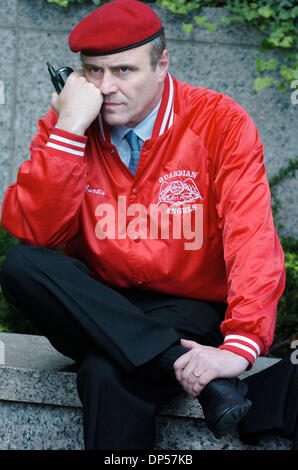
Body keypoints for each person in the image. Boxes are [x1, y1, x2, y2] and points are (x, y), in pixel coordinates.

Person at [0, 0, 286, 450]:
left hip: (188, 308)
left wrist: (239, 346)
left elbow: (251, 237)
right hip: (98, 303)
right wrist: (70, 130)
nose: (106, 86)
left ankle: (163, 358)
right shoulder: (69, 125)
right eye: (93, 71)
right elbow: (37, 233)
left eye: (124, 71)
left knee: (105, 372)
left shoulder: (219, 123)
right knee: (20, 263)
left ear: (162, 65)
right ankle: (178, 364)